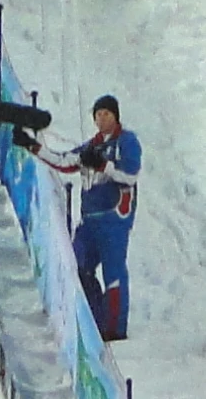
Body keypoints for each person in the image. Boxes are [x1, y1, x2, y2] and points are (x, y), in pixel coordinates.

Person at [40, 95, 141, 340]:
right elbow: (64, 162)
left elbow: (130, 174)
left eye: (106, 113)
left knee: (113, 273)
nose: (101, 118)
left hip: (114, 217)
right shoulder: (91, 146)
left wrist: (103, 166)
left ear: (115, 115)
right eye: (97, 114)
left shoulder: (127, 141)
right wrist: (34, 148)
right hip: (89, 221)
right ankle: (95, 319)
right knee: (78, 266)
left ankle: (115, 329)